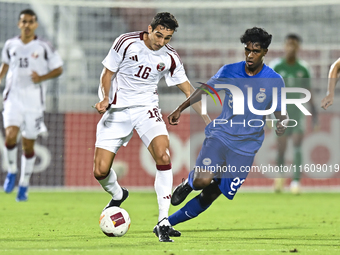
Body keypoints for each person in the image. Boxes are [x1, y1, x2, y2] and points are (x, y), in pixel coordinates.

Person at [93, 12, 209, 242]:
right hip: (117, 110)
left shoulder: (170, 57)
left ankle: (163, 220)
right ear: (149, 28)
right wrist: (105, 98)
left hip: (146, 109)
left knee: (164, 156)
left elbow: (189, 91)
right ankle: (118, 194)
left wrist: (207, 121)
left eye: (167, 38)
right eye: (158, 35)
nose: (161, 42)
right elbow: (108, 73)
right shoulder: (126, 42)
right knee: (100, 171)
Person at [166, 27, 289, 228]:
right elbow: (203, 91)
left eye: (255, 51)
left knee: (212, 193)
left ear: (265, 52)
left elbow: (280, 112)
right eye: (247, 50)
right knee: (201, 181)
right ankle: (189, 183)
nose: (250, 55)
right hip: (221, 136)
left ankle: (167, 223)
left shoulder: (274, 81)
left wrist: (282, 123)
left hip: (247, 147)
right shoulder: (229, 71)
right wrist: (180, 108)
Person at [0, 9, 63, 201]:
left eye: (30, 22)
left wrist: (41, 77)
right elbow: (5, 65)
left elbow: (58, 69)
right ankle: (12, 171)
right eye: (24, 22)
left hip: (34, 103)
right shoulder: (10, 44)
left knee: (28, 146)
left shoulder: (44, 46)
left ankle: (24, 184)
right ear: (19, 24)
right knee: (10, 137)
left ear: (35, 25)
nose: (27, 25)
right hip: (13, 99)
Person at [269, 34, 317, 194]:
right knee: (281, 148)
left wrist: (315, 116)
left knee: (297, 145)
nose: (291, 48)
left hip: (297, 114)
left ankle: (296, 182)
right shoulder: (276, 66)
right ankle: (280, 176)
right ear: (284, 46)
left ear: (298, 48)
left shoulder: (303, 68)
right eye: (289, 44)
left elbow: (309, 93)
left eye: (294, 45)